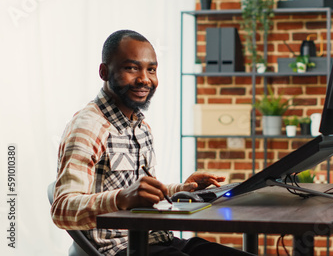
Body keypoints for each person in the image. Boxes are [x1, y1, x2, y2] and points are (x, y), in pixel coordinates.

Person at [51, 30, 253, 256]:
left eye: (152, 70)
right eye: (131, 68)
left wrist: (183, 189)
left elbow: (141, 195)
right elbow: (62, 209)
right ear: (104, 71)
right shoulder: (88, 127)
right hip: (123, 249)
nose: (145, 79)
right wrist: (121, 198)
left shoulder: (141, 127)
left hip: (160, 239)